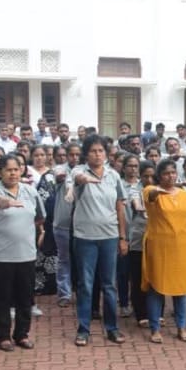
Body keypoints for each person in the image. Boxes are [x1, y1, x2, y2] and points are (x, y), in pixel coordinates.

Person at [70, 134, 128, 346]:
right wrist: (85, 179)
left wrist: (122, 237)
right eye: (93, 151)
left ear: (106, 153)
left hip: (110, 237)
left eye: (101, 151)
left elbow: (120, 206)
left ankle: (112, 328)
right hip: (85, 237)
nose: (97, 154)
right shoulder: (78, 171)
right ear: (86, 154)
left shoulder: (113, 176)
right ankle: (83, 329)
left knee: (109, 285)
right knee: (85, 284)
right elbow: (77, 179)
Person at [0, 154, 45, 351]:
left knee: (25, 297)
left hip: (26, 254)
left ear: (22, 170)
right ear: (0, 171)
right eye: (9, 169)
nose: (13, 173)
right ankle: (3, 336)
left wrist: (37, 233)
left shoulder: (30, 191)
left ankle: (22, 334)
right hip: (1, 255)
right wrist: (6, 202)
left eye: (16, 169)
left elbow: (39, 217)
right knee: (2, 297)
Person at [143, 158, 186, 343]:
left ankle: (181, 328)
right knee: (156, 288)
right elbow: (150, 197)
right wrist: (159, 190)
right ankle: (155, 329)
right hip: (159, 247)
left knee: (182, 289)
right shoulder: (151, 191)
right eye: (166, 173)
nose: (171, 176)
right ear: (159, 176)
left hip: (183, 248)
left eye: (173, 172)